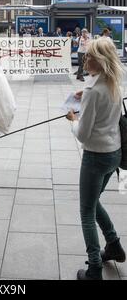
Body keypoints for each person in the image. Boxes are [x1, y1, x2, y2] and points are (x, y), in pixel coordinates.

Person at [66, 37, 126, 280]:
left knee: (86, 211)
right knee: (94, 201)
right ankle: (113, 245)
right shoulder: (114, 84)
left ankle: (94, 268)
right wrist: (85, 97)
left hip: (95, 157)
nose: (85, 58)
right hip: (115, 155)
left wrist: (73, 119)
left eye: (89, 56)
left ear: (100, 61)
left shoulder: (93, 90)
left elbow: (83, 134)